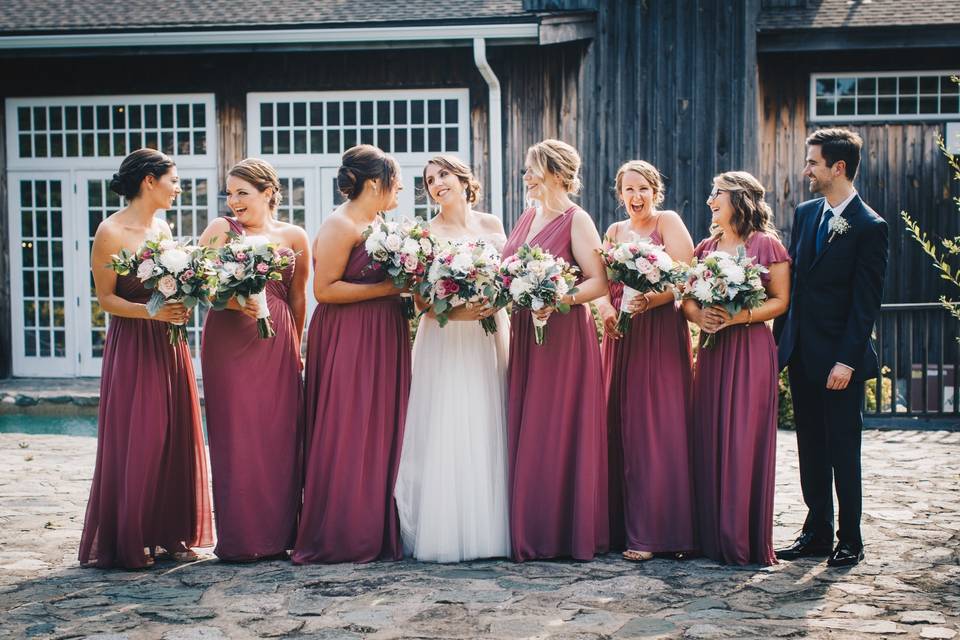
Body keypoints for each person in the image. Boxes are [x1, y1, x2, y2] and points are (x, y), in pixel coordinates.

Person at [79, 148, 212, 569]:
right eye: (173, 180)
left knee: (172, 433)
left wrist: (182, 301)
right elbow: (106, 299)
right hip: (134, 343)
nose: (178, 188)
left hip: (168, 341)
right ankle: (130, 535)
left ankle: (168, 532)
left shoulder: (164, 226)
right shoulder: (110, 231)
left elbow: (168, 285)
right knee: (141, 434)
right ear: (150, 181)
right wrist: (150, 311)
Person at [774, 128, 888, 568]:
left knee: (843, 450)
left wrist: (847, 360)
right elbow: (795, 286)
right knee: (811, 450)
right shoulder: (805, 215)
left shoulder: (869, 227)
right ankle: (817, 531)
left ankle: (851, 539)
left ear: (837, 168)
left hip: (841, 362)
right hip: (803, 355)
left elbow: (866, 304)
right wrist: (779, 348)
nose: (806, 170)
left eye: (812, 163)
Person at [292, 144, 409, 564]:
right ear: (375, 183)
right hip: (350, 335)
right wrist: (390, 289)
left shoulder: (380, 222)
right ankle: (344, 531)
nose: (399, 191)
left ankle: (376, 526)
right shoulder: (340, 224)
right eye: (395, 182)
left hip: (385, 334)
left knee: (380, 426)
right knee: (350, 424)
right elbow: (325, 290)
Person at [394, 155, 511, 562]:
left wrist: (492, 303)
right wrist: (461, 312)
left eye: (443, 174)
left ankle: (491, 529)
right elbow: (422, 300)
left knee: (487, 416)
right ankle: (446, 531)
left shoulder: (493, 225)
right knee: (446, 421)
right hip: (444, 337)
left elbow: (508, 281)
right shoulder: (425, 233)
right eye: (429, 180)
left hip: (487, 335)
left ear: (464, 179)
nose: (436, 184)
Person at [502, 139, 609, 561]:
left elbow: (598, 281)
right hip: (528, 331)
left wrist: (558, 299)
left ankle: (562, 530)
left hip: (564, 334)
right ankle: (532, 526)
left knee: (557, 424)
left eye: (532, 169)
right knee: (530, 424)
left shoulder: (576, 219)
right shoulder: (527, 215)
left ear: (555, 172)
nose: (526, 176)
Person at [199, 158, 309, 562]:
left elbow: (298, 296)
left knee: (278, 434)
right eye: (229, 193)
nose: (234, 201)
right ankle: (242, 539)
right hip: (229, 340)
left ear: (268, 193)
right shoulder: (220, 230)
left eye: (242, 192)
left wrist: (296, 348)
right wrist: (232, 297)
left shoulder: (294, 235)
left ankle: (279, 534)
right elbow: (204, 289)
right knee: (237, 436)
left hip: (277, 341)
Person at [684, 171, 790, 566]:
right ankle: (709, 535)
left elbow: (780, 302)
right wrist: (701, 318)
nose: (710, 199)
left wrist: (739, 316)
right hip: (713, 350)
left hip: (749, 350)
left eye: (717, 193)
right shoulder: (706, 246)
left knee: (743, 438)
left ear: (739, 199)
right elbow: (687, 301)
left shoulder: (766, 245)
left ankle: (741, 537)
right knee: (709, 433)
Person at [596, 160, 696, 562]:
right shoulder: (614, 232)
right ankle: (622, 526)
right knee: (620, 423)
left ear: (655, 190)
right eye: (628, 190)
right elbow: (600, 283)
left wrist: (649, 300)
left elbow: (686, 277)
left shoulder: (668, 222)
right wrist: (605, 311)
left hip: (659, 333)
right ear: (619, 195)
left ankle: (660, 531)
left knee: (658, 426)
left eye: (642, 189)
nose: (636, 197)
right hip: (622, 334)